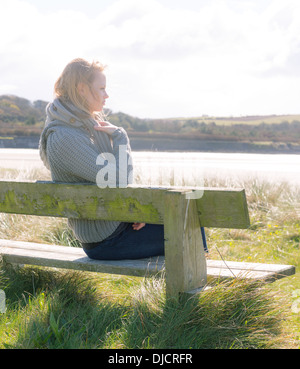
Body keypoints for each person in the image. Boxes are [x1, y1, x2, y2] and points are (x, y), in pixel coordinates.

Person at [39, 58, 164, 260]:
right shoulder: (65, 138)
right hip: (107, 240)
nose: (107, 95)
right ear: (81, 89)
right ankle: (197, 289)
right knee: (187, 226)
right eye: (102, 88)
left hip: (115, 227)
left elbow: (115, 180)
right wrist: (121, 137)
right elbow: (118, 179)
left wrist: (136, 210)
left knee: (183, 219)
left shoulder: (85, 127)